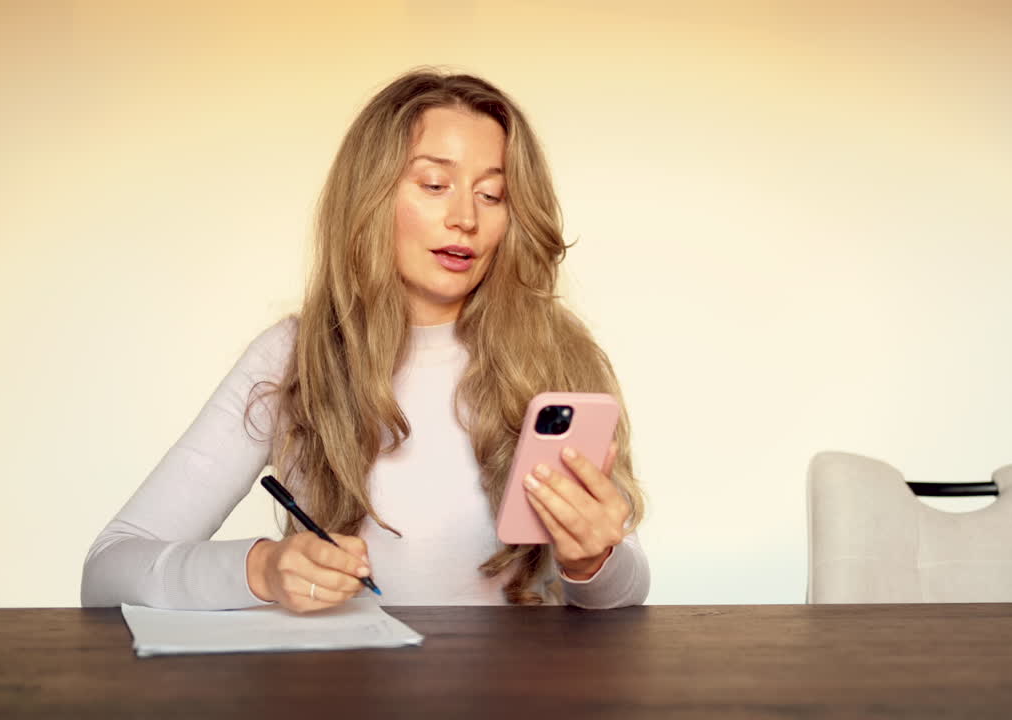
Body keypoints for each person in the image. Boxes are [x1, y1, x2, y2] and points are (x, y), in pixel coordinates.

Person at [80, 70, 649, 612]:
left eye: (492, 195)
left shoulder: (554, 354)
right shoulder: (292, 356)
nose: (465, 219)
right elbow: (108, 571)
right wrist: (263, 569)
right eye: (434, 184)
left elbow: (625, 594)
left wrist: (593, 560)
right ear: (371, 196)